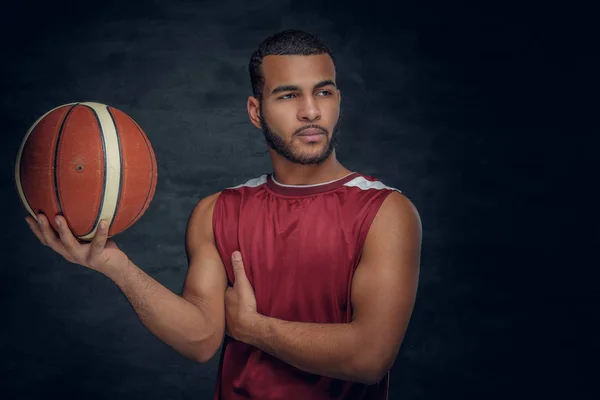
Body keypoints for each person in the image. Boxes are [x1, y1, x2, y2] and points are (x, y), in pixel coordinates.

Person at [25, 29, 422, 400]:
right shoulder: (217, 211)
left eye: (323, 92)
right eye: (287, 96)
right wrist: (116, 266)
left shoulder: (386, 212)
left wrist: (255, 329)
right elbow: (200, 339)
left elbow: (369, 358)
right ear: (255, 110)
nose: (311, 112)